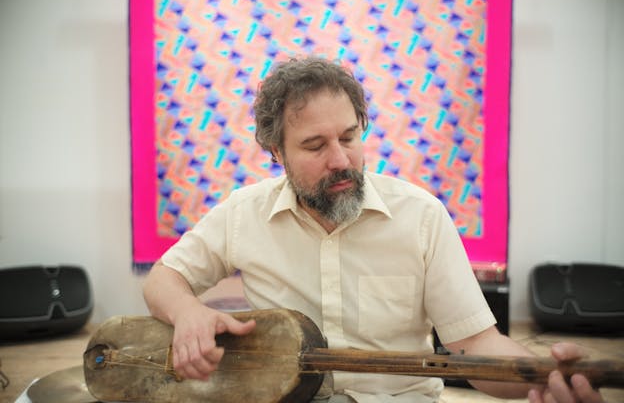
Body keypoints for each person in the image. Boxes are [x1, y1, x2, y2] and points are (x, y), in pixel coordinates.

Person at [143, 56, 606, 403]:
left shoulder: (422, 217)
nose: (341, 160)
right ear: (276, 154)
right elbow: (165, 277)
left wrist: (541, 374)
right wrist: (187, 312)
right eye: (314, 145)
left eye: (348, 137)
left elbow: (475, 346)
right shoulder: (243, 213)